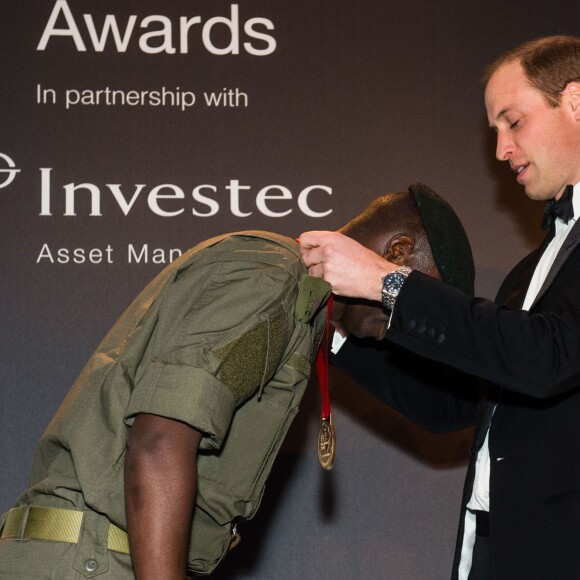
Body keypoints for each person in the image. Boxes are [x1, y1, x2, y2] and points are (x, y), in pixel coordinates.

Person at [0, 184, 474, 580]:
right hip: (96, 563)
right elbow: (160, 441)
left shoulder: (298, 301)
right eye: (409, 302)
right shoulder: (275, 277)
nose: (402, 325)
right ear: (396, 253)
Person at [299, 35, 580, 580]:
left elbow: (549, 357)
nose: (500, 150)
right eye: (495, 130)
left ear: (576, 102)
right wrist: (333, 331)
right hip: (497, 551)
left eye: (513, 122)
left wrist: (387, 281)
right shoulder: (534, 268)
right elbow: (455, 404)